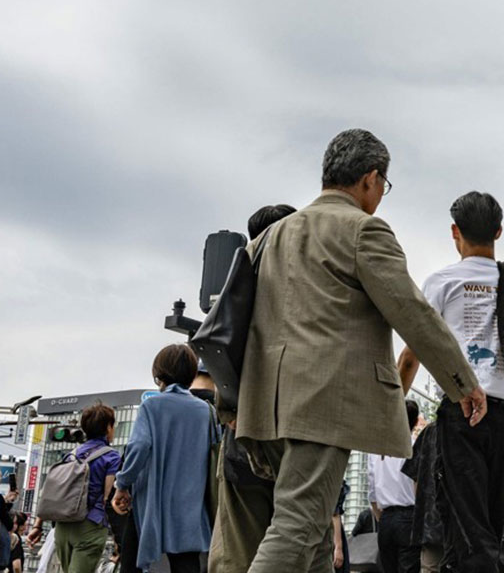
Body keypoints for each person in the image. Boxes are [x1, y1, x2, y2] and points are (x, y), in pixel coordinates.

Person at [235, 129, 485, 573]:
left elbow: (233, 322)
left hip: (262, 405)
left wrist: (230, 404)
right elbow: (412, 313)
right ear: (370, 179)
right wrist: (462, 381)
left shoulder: (269, 238)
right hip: (321, 400)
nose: (380, 196)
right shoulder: (362, 230)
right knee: (296, 525)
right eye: (382, 187)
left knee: (308, 534)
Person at [397, 191, 504, 572]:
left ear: (455, 231)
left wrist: (395, 409)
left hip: (462, 415)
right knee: (489, 527)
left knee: (467, 527)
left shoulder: (443, 281)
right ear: (498, 231)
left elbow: (413, 352)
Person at [207, 203, 299, 573]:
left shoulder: (241, 281)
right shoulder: (303, 285)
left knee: (236, 551)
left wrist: (227, 408)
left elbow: (220, 345)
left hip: (241, 433)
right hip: (294, 436)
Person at [112, 344, 217, 573]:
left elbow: (138, 447)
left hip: (152, 501)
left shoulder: (151, 406)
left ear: (159, 373)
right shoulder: (206, 411)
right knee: (186, 564)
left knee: (131, 559)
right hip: (191, 502)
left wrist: (122, 485)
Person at [45, 403, 120, 573]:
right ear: (108, 427)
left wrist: (37, 525)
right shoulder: (111, 456)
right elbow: (108, 495)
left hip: (63, 526)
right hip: (90, 525)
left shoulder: (71, 454)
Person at [369, 400, 421, 573]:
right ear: (414, 423)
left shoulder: (376, 449)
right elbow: (419, 485)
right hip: (410, 517)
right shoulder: (415, 446)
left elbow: (372, 494)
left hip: (386, 519)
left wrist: (382, 518)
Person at [402, 420, 444, 572]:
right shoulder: (481, 425)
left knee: (430, 567)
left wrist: (423, 507)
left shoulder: (431, 429)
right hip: (467, 520)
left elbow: (415, 475)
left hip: (432, 520)